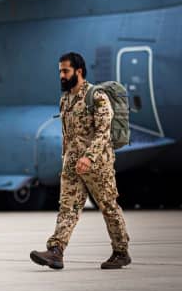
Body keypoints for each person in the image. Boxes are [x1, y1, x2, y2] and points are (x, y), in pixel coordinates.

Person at [30, 52, 131, 270]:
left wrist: (89, 156)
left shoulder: (97, 97)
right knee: (68, 207)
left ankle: (121, 251)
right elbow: (68, 133)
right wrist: (67, 159)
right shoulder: (65, 99)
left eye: (65, 71)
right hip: (73, 163)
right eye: (60, 72)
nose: (62, 76)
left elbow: (103, 132)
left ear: (79, 71)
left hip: (97, 164)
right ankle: (56, 251)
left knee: (108, 206)